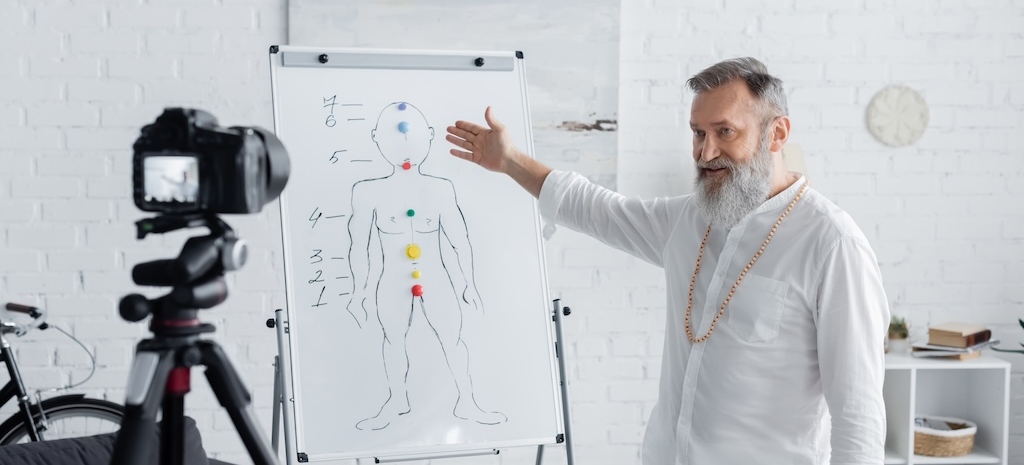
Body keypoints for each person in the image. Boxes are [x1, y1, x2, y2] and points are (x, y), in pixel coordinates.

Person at [446, 58, 888, 464]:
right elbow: (594, 208)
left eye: (725, 131)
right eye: (698, 133)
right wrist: (508, 161)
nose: (705, 151)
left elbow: (858, 415)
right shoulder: (690, 219)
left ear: (777, 133)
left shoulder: (832, 244)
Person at [346, 101, 507, 431]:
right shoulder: (367, 192)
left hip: (438, 279)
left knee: (453, 339)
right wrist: (358, 289)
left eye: (414, 137)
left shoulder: (440, 188)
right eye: (394, 139)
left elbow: (459, 239)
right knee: (393, 340)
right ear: (376, 138)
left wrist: (469, 283)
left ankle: (467, 401)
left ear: (430, 136)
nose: (405, 148)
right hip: (391, 282)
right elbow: (357, 246)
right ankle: (397, 401)